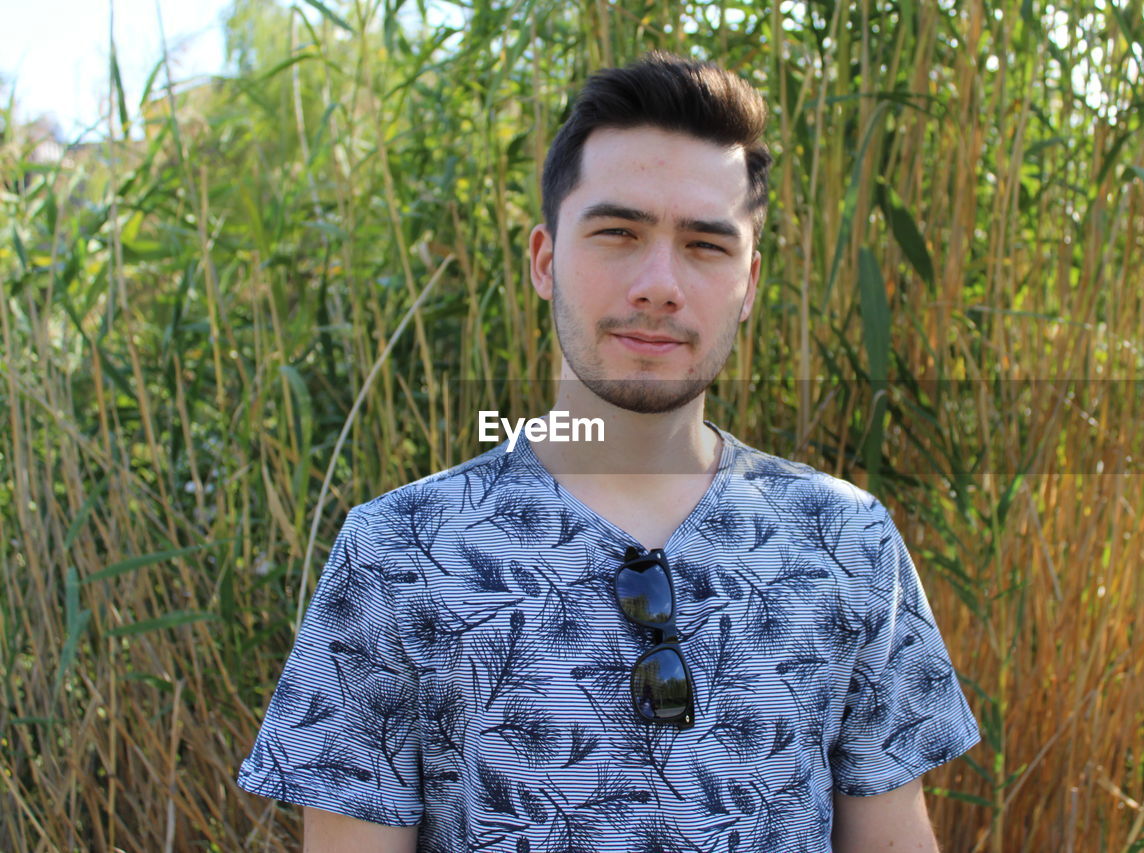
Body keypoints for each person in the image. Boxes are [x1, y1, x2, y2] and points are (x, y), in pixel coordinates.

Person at [237, 51, 980, 852]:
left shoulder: (846, 540)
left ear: (751, 282)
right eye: (619, 233)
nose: (659, 283)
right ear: (545, 260)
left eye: (705, 246)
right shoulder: (400, 551)